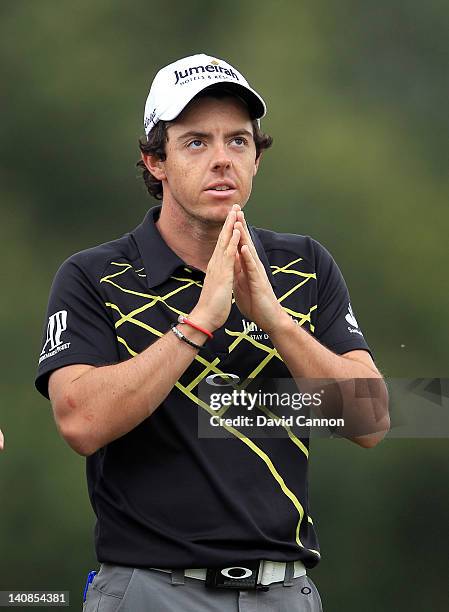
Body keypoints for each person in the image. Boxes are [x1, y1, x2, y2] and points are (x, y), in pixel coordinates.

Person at [35, 53, 389, 611]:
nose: (222, 159)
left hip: (285, 590)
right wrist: (199, 322)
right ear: (156, 161)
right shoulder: (93, 275)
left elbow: (370, 420)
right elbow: (80, 422)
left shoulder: (303, 263)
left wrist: (273, 319)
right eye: (197, 142)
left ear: (256, 158)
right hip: (150, 588)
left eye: (238, 141)